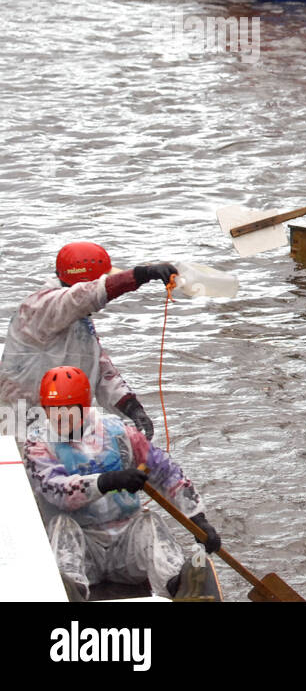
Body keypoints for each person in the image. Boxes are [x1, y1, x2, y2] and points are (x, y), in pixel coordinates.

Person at [24, 366, 220, 600]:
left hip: (125, 546)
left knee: (149, 522)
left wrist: (197, 518)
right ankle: (69, 590)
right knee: (62, 526)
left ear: (84, 407)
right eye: (54, 410)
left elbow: (166, 471)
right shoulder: (37, 445)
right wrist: (106, 481)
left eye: (68, 410)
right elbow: (56, 491)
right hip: (83, 548)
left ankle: (178, 585)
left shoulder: (118, 432)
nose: (61, 417)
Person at [0, 243, 172, 438]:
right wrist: (141, 275)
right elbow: (84, 296)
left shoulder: (79, 322)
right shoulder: (40, 307)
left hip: (64, 420)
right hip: (21, 421)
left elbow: (101, 370)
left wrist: (132, 408)